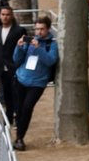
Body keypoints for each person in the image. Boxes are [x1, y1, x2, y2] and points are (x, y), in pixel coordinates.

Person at [12, 15, 58, 150]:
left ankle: (20, 137)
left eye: (42, 29)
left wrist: (39, 49)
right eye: (37, 29)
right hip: (21, 78)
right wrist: (19, 47)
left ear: (48, 29)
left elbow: (50, 60)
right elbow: (16, 59)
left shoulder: (52, 44)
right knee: (19, 108)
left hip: (38, 83)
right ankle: (18, 133)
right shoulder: (30, 41)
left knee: (27, 107)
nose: (39, 32)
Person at [0, 5, 27, 125]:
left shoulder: (19, 31)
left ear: (12, 15)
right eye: (3, 14)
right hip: (1, 68)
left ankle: (18, 117)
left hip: (15, 67)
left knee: (17, 94)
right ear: (0, 16)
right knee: (6, 94)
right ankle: (8, 117)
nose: (5, 17)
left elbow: (24, 48)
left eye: (7, 15)